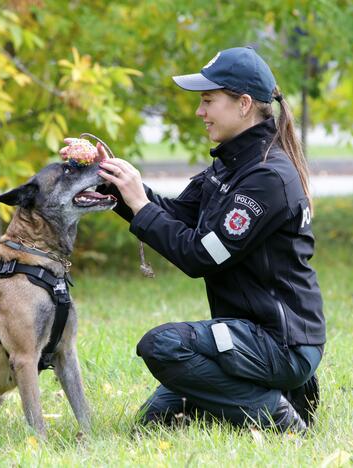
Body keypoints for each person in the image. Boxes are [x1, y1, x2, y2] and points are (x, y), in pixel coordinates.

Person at [86, 46, 325, 433]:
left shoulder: (267, 178)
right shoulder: (230, 164)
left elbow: (201, 255)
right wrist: (110, 183)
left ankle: (280, 416)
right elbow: (176, 215)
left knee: (161, 346)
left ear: (244, 104)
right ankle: (283, 393)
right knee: (154, 423)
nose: (200, 112)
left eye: (208, 101)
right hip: (242, 336)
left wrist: (139, 204)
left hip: (280, 342)